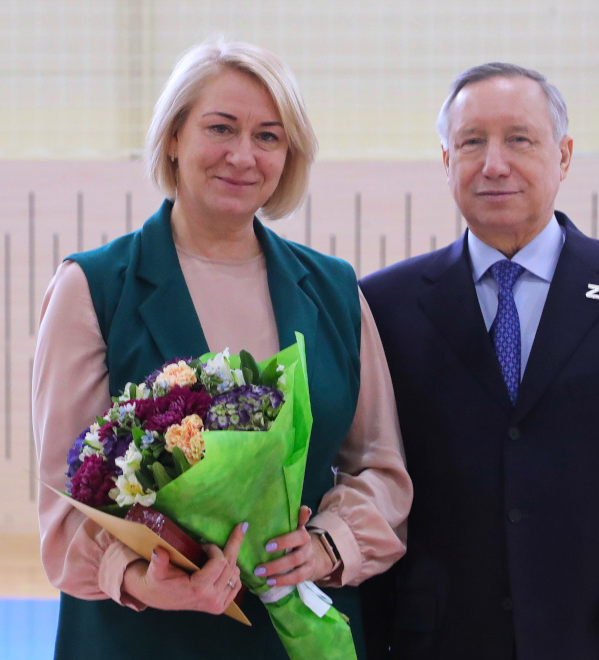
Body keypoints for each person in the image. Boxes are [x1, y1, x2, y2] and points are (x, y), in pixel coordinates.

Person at [33, 39, 412, 660]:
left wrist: (328, 545)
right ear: (173, 137)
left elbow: (381, 469)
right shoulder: (94, 287)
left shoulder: (335, 291)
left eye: (268, 137)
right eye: (220, 128)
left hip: (297, 638)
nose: (243, 155)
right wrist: (141, 580)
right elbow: (64, 501)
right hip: (142, 638)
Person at [359, 63, 599, 659]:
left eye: (520, 139)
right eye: (471, 142)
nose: (494, 164)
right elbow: (370, 489)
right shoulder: (384, 306)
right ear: (446, 160)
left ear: (563, 156)